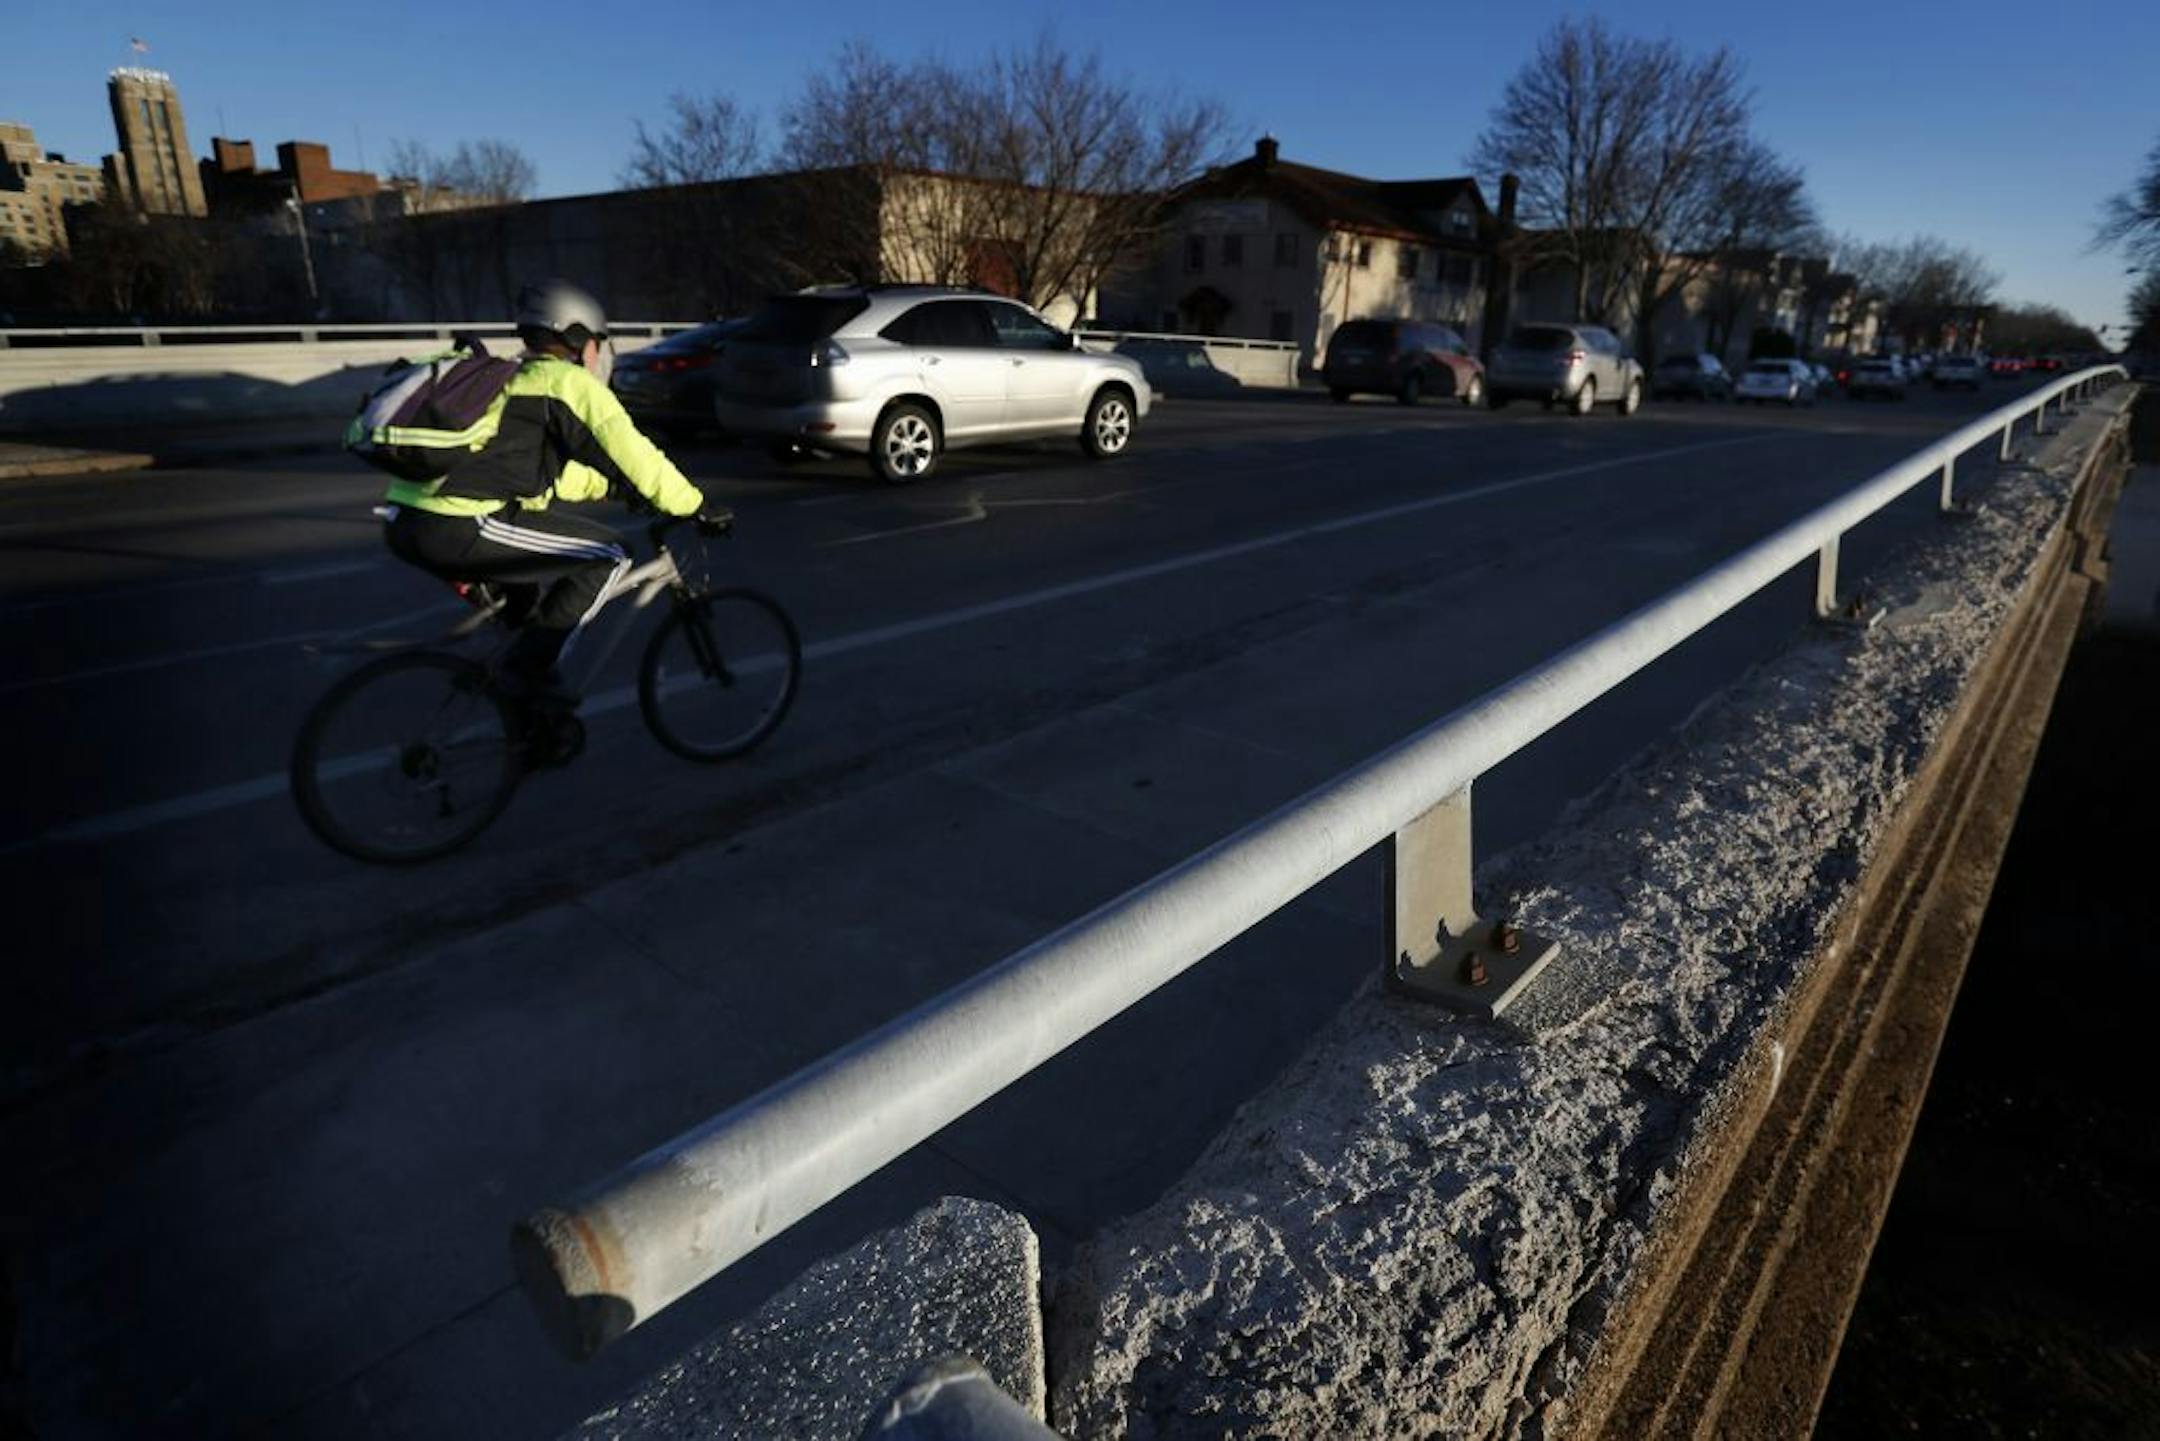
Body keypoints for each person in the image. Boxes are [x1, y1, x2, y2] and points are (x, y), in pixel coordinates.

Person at [378, 279, 725, 703]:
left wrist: (614, 489)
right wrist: (694, 504)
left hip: (407, 520)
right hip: (459, 524)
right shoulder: (565, 383)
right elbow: (632, 452)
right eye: (599, 341)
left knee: (526, 608)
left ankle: (520, 719)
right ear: (581, 340)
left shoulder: (514, 381)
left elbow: (543, 472)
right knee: (609, 555)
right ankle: (525, 675)